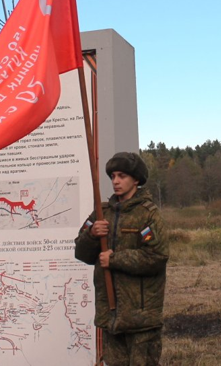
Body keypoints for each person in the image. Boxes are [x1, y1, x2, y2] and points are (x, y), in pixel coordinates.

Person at [75, 152, 169, 366]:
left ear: (136, 179)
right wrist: (92, 235)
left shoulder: (149, 215)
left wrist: (115, 259)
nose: (116, 181)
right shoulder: (101, 213)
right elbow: (81, 253)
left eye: (122, 176)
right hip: (111, 317)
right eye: (113, 176)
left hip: (140, 319)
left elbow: (157, 257)